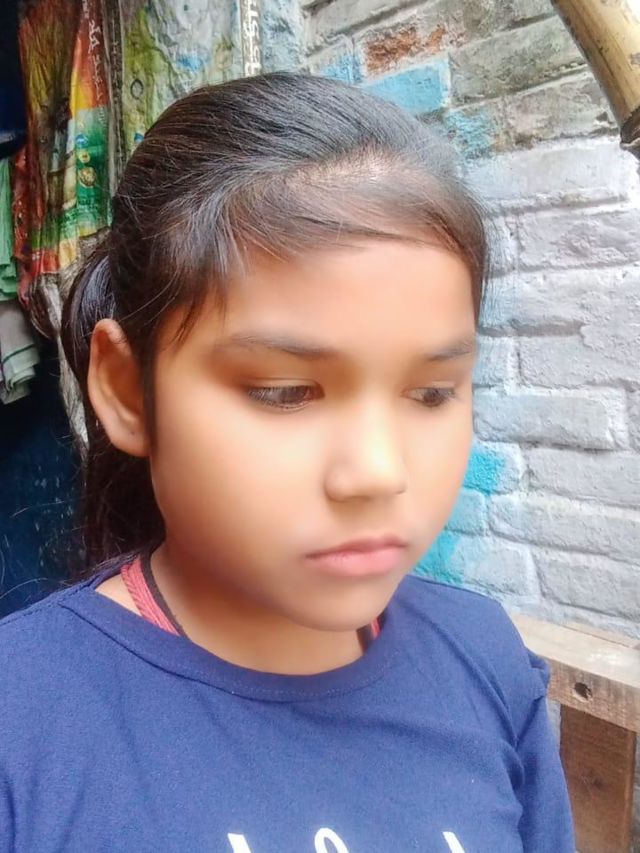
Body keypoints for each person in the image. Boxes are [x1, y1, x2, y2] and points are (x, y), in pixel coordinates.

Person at [0, 72, 574, 852]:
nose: (378, 472)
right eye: (285, 391)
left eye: (433, 392)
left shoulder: (485, 660)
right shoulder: (24, 719)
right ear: (129, 392)